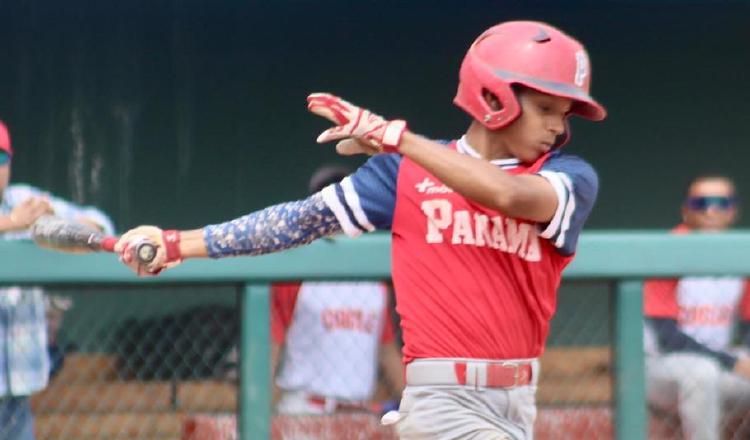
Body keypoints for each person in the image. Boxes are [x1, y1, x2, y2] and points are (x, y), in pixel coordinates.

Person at [115, 20, 606, 439]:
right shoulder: (403, 173)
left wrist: (398, 139)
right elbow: (299, 222)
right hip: (443, 404)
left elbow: (509, 196)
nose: (556, 128)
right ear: (494, 95)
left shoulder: (569, 177)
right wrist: (178, 244)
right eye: (545, 109)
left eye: (562, 115)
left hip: (518, 401)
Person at [0, 120, 115, 440]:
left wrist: (69, 225)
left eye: (0, 158)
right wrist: (11, 223)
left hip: (16, 395)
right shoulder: (17, 214)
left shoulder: (23, 199)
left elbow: (102, 223)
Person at [271, 164, 404, 415]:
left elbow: (387, 351)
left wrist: (414, 405)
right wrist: (259, 412)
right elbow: (271, 346)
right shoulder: (296, 273)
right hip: (306, 409)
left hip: (360, 410)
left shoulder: (372, 278)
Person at [644, 175, 750, 440]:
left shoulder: (739, 253)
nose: (711, 210)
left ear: (733, 211)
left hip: (720, 366)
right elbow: (667, 338)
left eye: (721, 203)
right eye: (701, 202)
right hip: (657, 369)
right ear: (686, 210)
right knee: (701, 374)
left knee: (708, 373)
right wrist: (733, 362)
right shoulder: (668, 250)